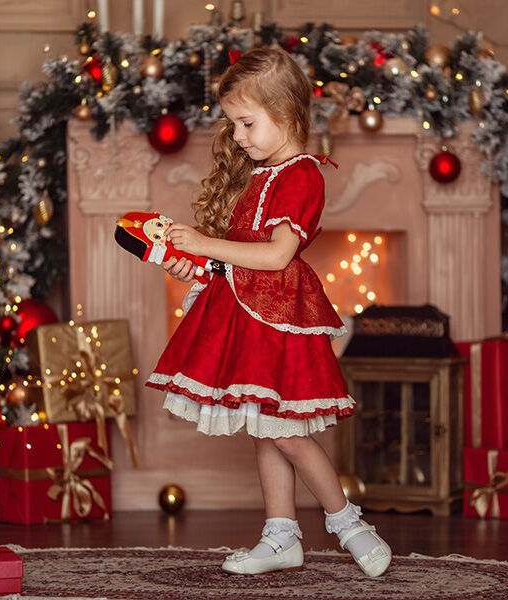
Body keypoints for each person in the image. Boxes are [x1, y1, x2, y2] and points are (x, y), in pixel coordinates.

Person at [146, 47, 391, 578]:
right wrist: (198, 266)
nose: (237, 137)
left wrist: (208, 244)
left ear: (286, 114)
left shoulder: (303, 175)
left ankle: (349, 523)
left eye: (247, 123)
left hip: (280, 318)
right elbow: (242, 255)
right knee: (263, 428)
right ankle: (280, 536)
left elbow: (278, 255)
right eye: (234, 124)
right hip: (247, 314)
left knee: (284, 432)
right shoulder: (259, 174)